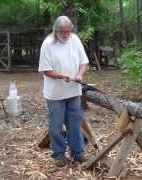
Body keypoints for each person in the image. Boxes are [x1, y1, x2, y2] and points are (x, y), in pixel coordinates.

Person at [38, 15, 89, 167]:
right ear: (56, 30)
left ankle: (78, 153)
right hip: (55, 94)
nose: (66, 34)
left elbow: (84, 62)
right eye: (63, 32)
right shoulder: (48, 44)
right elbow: (46, 70)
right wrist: (61, 76)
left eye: (68, 31)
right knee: (56, 125)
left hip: (73, 91)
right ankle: (59, 155)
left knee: (75, 123)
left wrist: (79, 75)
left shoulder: (75, 39)